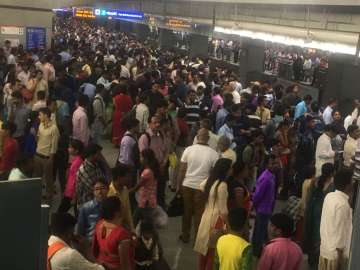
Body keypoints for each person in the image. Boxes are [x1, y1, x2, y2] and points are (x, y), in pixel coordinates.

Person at [177, 128, 219, 243]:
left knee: (187, 212)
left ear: (197, 137)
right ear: (208, 139)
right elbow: (212, 174)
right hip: (202, 187)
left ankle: (185, 235)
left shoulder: (188, 150)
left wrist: (178, 185)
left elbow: (182, 170)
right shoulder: (214, 154)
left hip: (187, 185)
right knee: (199, 213)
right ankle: (197, 238)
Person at [194, 158, 233, 270]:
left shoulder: (210, 181)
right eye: (230, 168)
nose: (232, 170)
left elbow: (201, 186)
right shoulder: (222, 185)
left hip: (206, 217)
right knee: (213, 252)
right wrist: (229, 227)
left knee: (203, 251)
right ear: (225, 170)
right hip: (217, 220)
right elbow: (223, 211)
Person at [319, 169, 353, 270]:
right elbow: (340, 234)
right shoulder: (343, 205)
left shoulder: (329, 196)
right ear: (348, 185)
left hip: (325, 249)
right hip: (335, 256)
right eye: (352, 181)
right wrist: (340, 260)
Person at [303, 163, 335, 269]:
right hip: (322, 214)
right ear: (332, 173)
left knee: (311, 238)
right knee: (318, 240)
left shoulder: (315, 181)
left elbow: (308, 198)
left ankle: (310, 264)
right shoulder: (332, 186)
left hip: (311, 212)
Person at [92, 196, 133, 270]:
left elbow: (94, 250)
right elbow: (125, 264)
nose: (123, 208)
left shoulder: (99, 224)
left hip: (100, 265)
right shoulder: (121, 234)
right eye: (121, 206)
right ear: (116, 212)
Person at [252, 154, 279, 257]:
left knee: (262, 229)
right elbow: (258, 194)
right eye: (272, 163)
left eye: (275, 163)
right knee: (259, 231)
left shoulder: (272, 175)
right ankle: (256, 251)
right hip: (263, 209)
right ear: (267, 164)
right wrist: (254, 205)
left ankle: (260, 248)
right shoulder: (265, 177)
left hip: (268, 207)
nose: (274, 165)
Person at [33, 107, 60, 202]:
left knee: (48, 180)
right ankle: (36, 196)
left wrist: (51, 159)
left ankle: (49, 199)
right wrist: (34, 136)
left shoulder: (54, 128)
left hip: (47, 157)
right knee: (37, 178)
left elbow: (54, 145)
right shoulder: (40, 125)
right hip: (38, 155)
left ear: (46, 115)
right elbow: (38, 139)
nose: (39, 116)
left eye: (40, 115)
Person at [133, 149, 159, 225]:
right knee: (144, 221)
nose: (140, 159)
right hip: (150, 199)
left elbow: (138, 186)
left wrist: (127, 192)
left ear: (146, 159)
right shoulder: (153, 169)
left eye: (141, 157)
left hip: (145, 200)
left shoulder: (146, 172)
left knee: (138, 221)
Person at [58, 139, 84, 213]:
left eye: (70, 147)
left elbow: (77, 180)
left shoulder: (78, 162)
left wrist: (74, 196)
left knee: (61, 212)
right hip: (69, 191)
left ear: (76, 150)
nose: (68, 149)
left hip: (71, 193)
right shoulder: (76, 160)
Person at [76, 144, 105, 208]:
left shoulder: (95, 164)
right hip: (87, 205)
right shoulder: (84, 170)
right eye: (99, 154)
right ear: (92, 155)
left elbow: (102, 180)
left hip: (96, 201)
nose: (101, 156)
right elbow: (95, 189)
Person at [108, 164, 134, 232]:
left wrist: (132, 230)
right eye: (127, 177)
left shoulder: (125, 190)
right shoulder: (109, 194)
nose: (130, 179)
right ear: (119, 177)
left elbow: (128, 212)